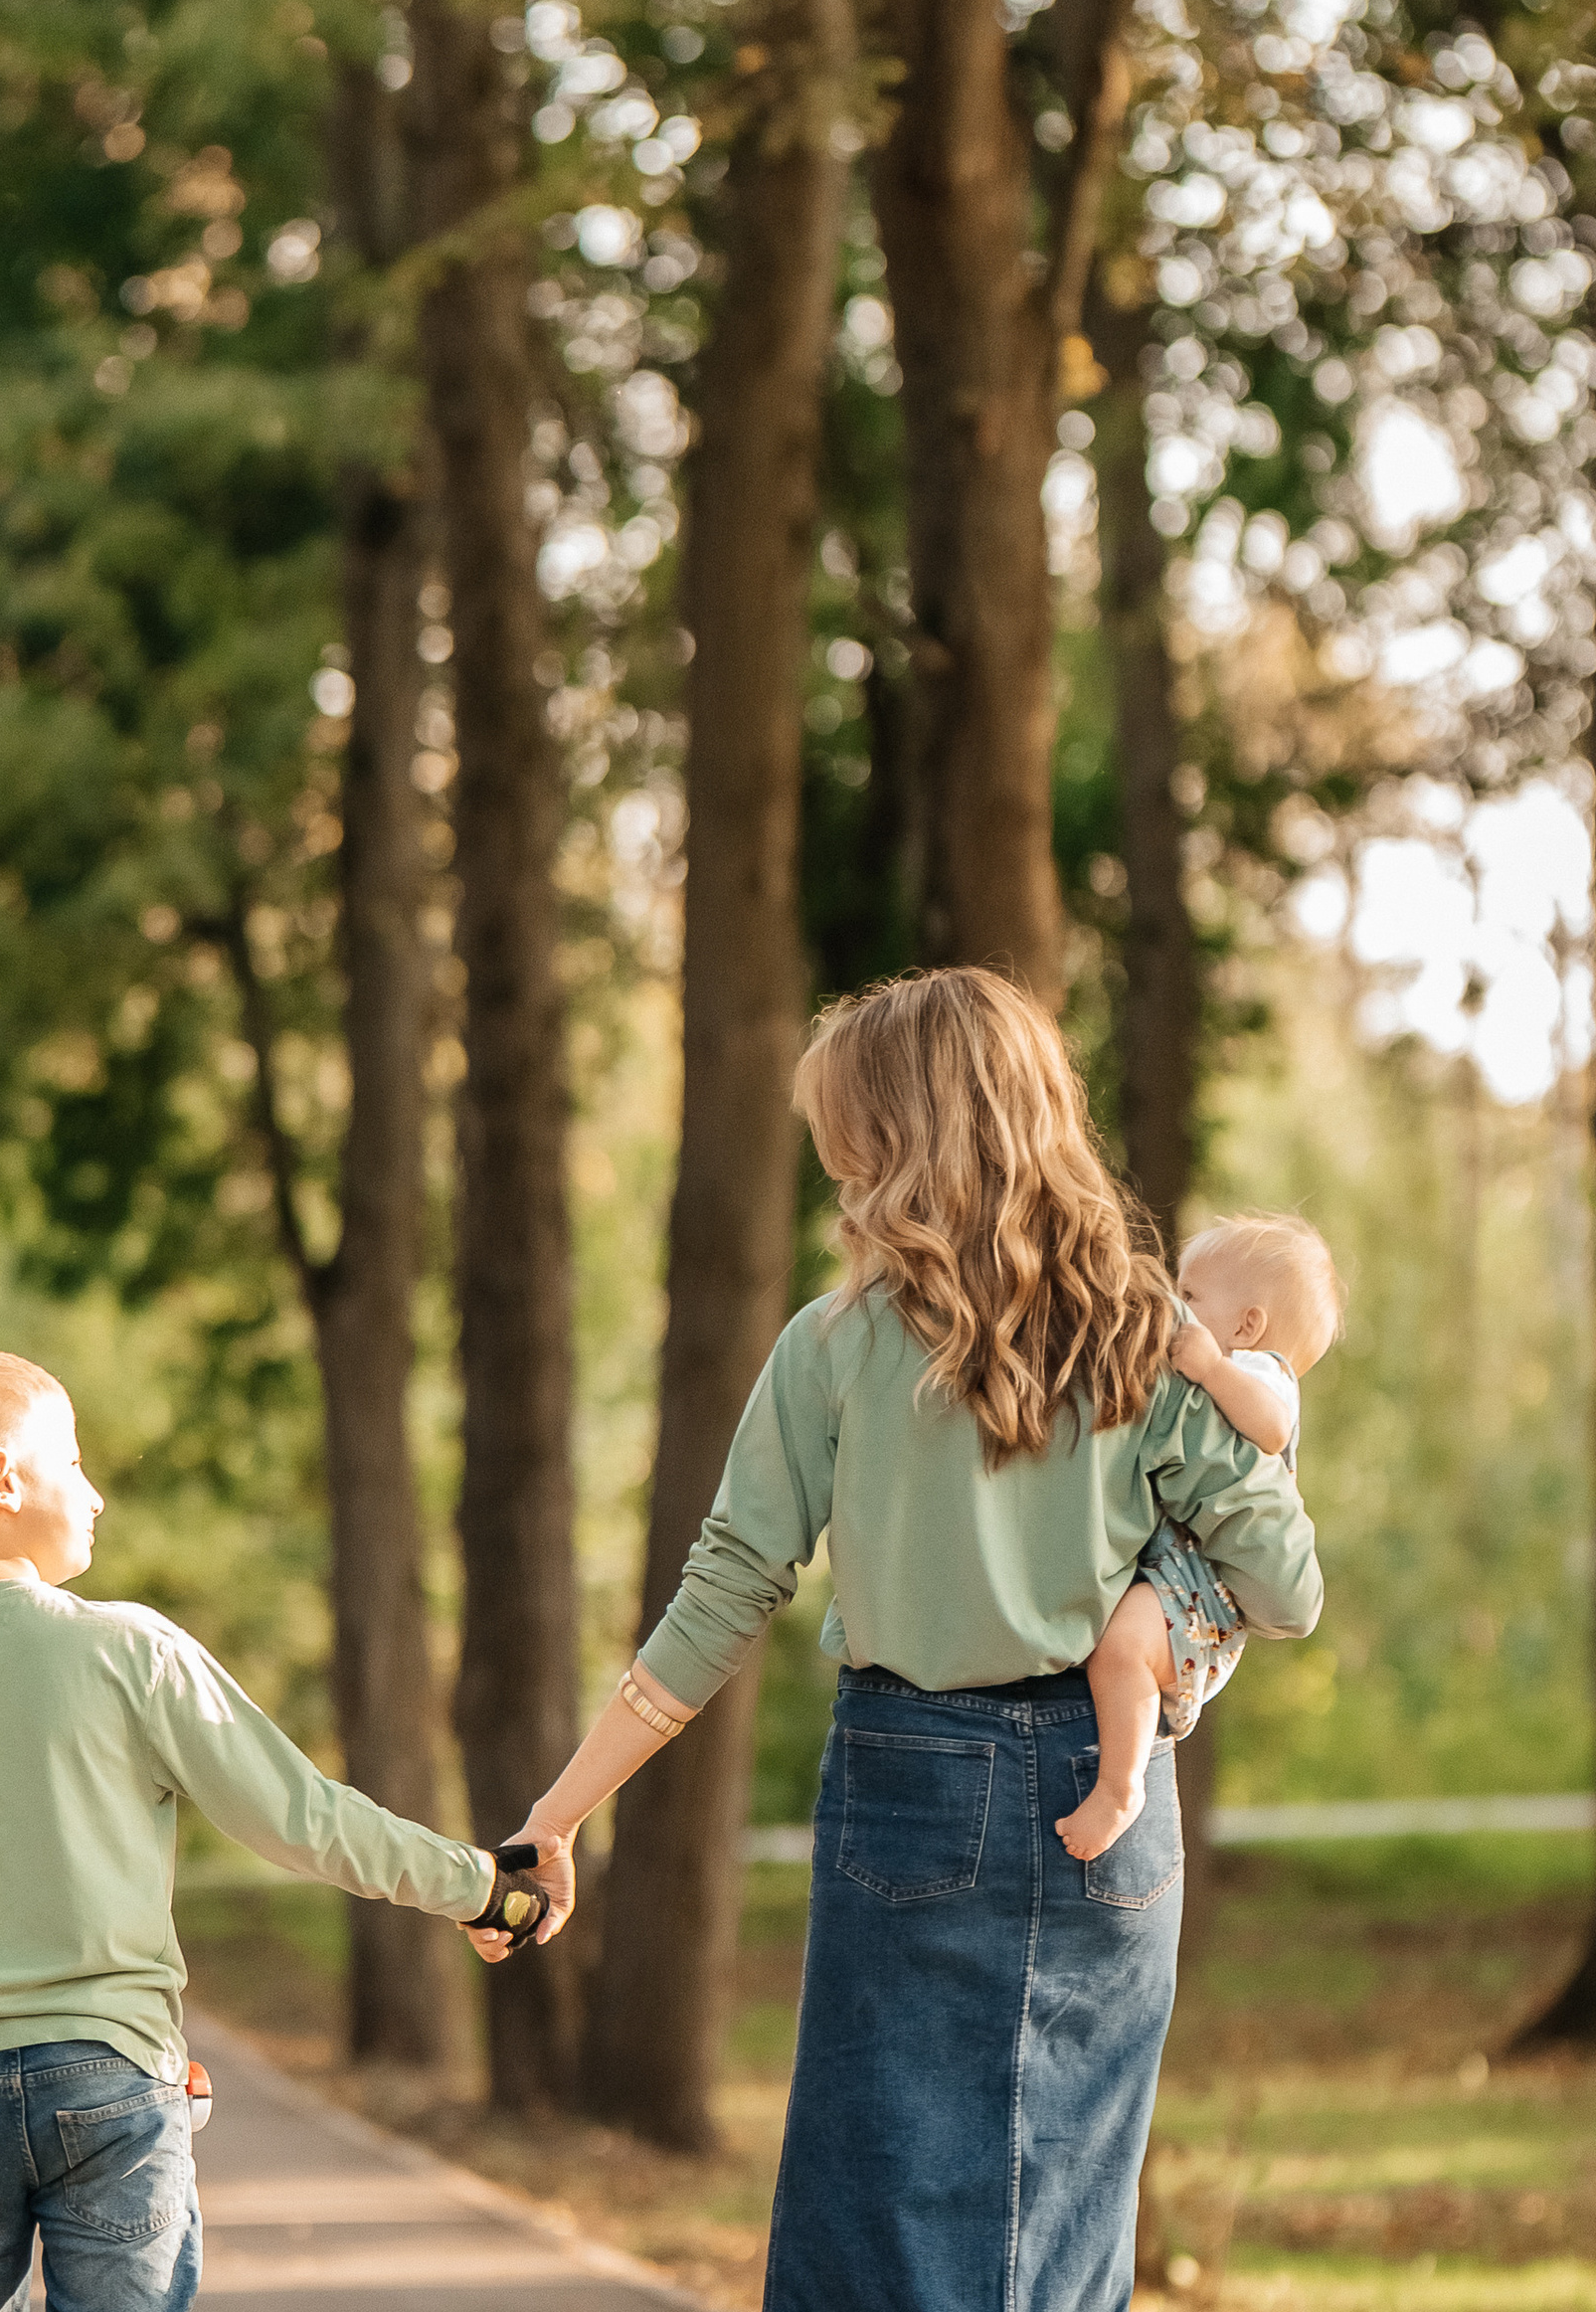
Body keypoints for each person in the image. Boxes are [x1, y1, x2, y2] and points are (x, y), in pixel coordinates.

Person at [497, 968, 1322, 2312]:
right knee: (1063, 2231)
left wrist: (562, 1809)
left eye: (844, 1142)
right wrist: (1158, 1604)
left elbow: (722, 1591)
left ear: (896, 1147)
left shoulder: (831, 1352)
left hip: (909, 1783)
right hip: (1110, 1808)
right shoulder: (1151, 1345)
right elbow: (1284, 1586)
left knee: (872, 2228)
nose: (832, 1169)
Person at [0, 1343, 543, 2307]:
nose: (95, 1495)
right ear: (4, 1476)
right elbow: (303, 1818)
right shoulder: (130, 1652)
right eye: (76, 1461)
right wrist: (481, 1886)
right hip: (112, 2084)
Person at [1060, 1212, 1342, 1863]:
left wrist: (1214, 1367)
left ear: (1246, 1325)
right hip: (1184, 1575)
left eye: (1189, 1297)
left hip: (1204, 1592)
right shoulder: (1222, 1370)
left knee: (1120, 1650)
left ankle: (1120, 1788)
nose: (1176, 1308)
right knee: (1117, 1647)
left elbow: (1272, 1428)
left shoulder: (1261, 1372)